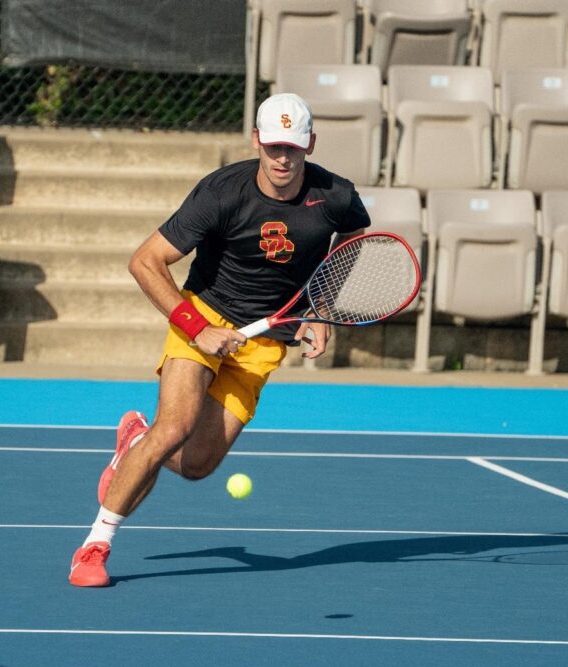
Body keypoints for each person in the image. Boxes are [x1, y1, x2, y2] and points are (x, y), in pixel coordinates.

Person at [69, 93, 372, 587]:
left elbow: (355, 239)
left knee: (197, 465)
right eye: (273, 146)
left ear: (310, 145)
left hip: (266, 338)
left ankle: (132, 443)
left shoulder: (336, 196)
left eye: (292, 148)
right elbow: (144, 262)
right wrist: (197, 328)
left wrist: (321, 308)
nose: (282, 158)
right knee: (174, 428)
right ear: (256, 140)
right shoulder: (222, 193)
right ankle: (94, 547)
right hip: (205, 316)